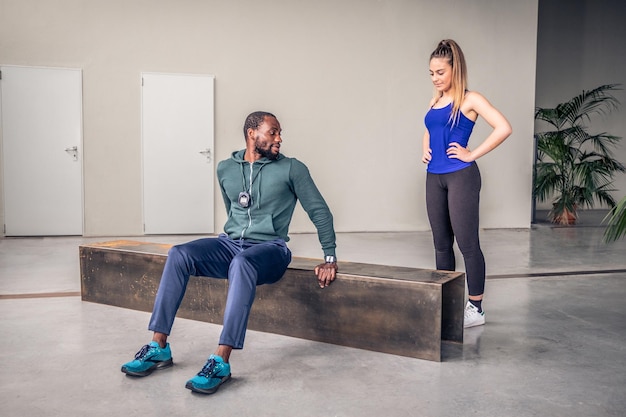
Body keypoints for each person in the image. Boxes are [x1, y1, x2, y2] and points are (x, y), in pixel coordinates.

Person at [121, 111, 338, 394]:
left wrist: (329, 258)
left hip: (270, 249)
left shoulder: (292, 169)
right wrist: (235, 239)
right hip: (231, 244)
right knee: (179, 254)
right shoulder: (225, 168)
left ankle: (221, 361)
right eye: (272, 132)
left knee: (242, 262)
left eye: (279, 133)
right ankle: (158, 346)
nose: (279, 138)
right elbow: (233, 212)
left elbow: (319, 211)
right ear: (252, 134)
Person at [421, 39, 512, 328]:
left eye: (440, 72)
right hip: (434, 177)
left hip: (461, 175)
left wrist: (471, 153)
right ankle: (446, 304)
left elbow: (504, 127)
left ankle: (476, 308)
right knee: (440, 244)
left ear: (454, 69)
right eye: (432, 73)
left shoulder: (470, 99)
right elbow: (430, 127)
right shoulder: (435, 100)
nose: (435, 78)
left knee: (467, 244)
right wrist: (425, 147)